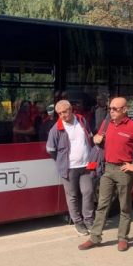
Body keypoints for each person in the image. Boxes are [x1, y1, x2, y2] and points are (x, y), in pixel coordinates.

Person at [78, 97, 133, 252]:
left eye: (115, 109)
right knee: (102, 205)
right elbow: (97, 139)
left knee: (125, 206)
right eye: (110, 108)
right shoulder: (107, 124)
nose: (111, 111)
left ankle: (123, 238)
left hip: (124, 171)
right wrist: (96, 138)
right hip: (108, 170)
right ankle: (95, 237)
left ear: (125, 110)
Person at [46, 100, 95, 235]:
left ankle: (89, 220)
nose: (63, 115)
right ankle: (78, 222)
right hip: (69, 168)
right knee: (72, 196)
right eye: (60, 113)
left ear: (71, 110)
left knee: (88, 192)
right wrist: (62, 162)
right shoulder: (55, 129)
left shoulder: (82, 121)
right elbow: (51, 150)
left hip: (86, 165)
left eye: (65, 112)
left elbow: (89, 138)